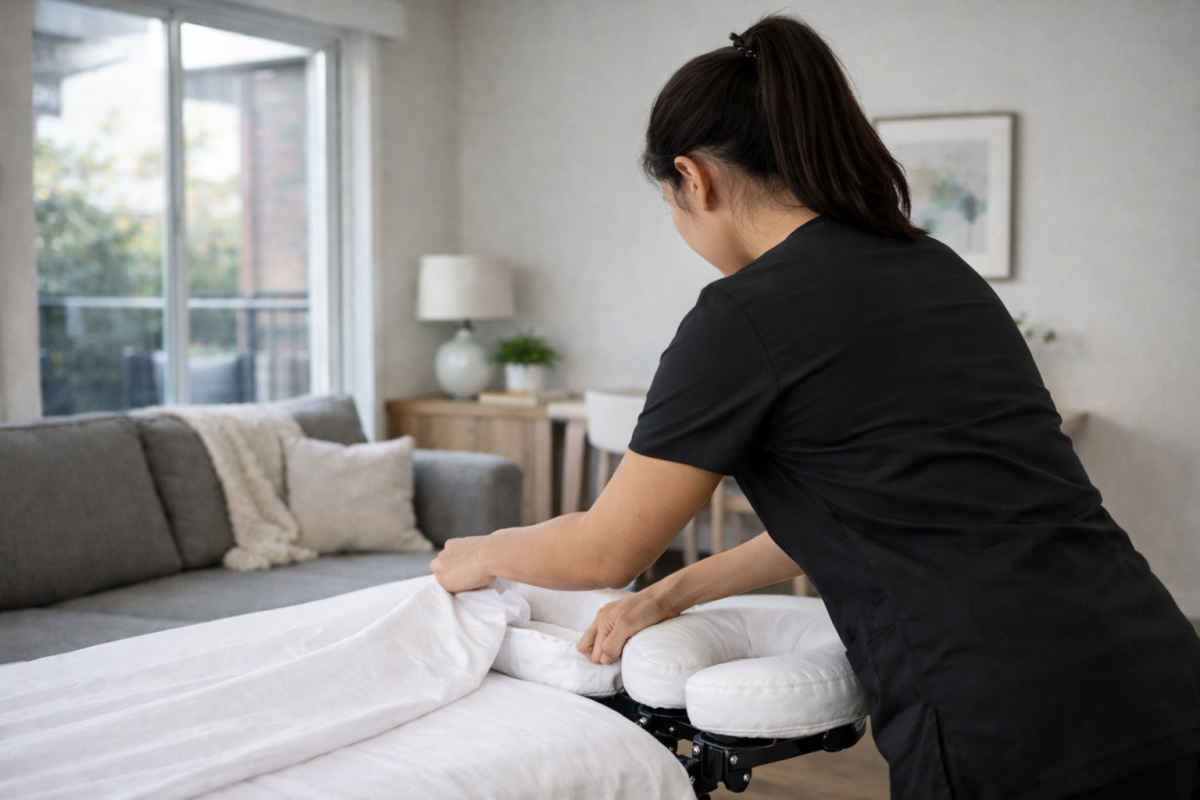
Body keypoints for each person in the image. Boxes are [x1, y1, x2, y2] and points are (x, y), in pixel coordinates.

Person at [431, 15, 1200, 800]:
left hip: (1005, 720)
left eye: (670, 200)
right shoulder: (936, 268)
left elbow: (602, 550)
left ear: (695, 180)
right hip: (1154, 670)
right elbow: (871, 511)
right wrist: (674, 591)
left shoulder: (741, 317)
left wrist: (481, 552)